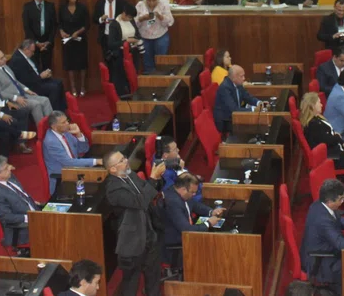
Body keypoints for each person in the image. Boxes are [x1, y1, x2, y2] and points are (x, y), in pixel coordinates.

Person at [103, 148, 166, 296]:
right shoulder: (113, 189)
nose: (126, 161)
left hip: (149, 234)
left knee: (153, 277)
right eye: (122, 161)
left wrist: (156, 179)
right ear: (112, 169)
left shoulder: (129, 175)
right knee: (131, 283)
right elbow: (140, 202)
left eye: (124, 158)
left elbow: (147, 191)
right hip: (132, 242)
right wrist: (152, 179)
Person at [301, 179, 344, 290]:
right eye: (340, 199)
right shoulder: (322, 219)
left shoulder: (319, 205)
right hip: (321, 262)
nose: (343, 201)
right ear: (329, 201)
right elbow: (340, 244)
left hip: (326, 248)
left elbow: (338, 220)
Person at [160, 173, 222, 270]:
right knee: (214, 244)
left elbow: (195, 205)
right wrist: (208, 223)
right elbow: (187, 230)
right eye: (193, 192)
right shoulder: (173, 202)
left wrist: (211, 211)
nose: (194, 195)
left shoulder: (180, 192)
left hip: (184, 232)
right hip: (176, 242)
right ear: (183, 189)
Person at [0, 155, 39, 252]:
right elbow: (6, 217)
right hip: (22, 229)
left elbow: (22, 195)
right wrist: (32, 217)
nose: (10, 168)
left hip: (36, 213)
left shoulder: (9, 178)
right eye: (6, 168)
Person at [0, 51, 54, 126]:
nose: (5, 59)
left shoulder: (5, 66)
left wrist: (26, 89)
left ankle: (53, 126)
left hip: (22, 94)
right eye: (1, 58)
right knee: (36, 104)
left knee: (45, 100)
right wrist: (15, 98)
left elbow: (15, 81)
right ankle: (42, 130)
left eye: (4, 56)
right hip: (13, 101)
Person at [43, 111, 98, 193]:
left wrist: (79, 134)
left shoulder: (65, 133)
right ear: (54, 127)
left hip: (75, 169)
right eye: (63, 122)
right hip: (63, 178)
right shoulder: (51, 141)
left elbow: (84, 149)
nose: (68, 123)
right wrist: (96, 161)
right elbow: (68, 163)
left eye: (67, 120)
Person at [300, 91, 344, 170]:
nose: (321, 105)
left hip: (335, 150)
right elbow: (327, 141)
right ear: (312, 106)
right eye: (319, 103)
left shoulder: (317, 119)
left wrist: (343, 143)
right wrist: (337, 136)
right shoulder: (313, 125)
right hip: (331, 157)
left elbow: (329, 136)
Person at [8, 38, 67, 111]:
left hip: (37, 80)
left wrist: (45, 75)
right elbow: (25, 80)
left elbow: (36, 70)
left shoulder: (27, 55)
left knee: (59, 82)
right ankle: (54, 113)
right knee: (54, 87)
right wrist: (41, 77)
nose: (33, 54)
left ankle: (62, 111)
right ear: (26, 49)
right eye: (32, 51)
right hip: (31, 87)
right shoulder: (17, 60)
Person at [135, 0, 174, 73]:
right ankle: (150, 79)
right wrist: (142, 18)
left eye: (154, 0)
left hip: (161, 36)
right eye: (149, 0)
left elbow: (170, 22)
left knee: (161, 60)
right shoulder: (140, 5)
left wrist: (160, 17)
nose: (151, 3)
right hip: (145, 37)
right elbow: (134, 23)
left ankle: (162, 78)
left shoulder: (163, 5)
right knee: (147, 61)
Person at [59, 0, 90, 95]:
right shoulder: (62, 8)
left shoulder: (82, 8)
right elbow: (59, 24)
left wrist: (78, 32)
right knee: (70, 63)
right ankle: (73, 88)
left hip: (80, 38)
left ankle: (82, 87)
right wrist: (62, 32)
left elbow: (87, 24)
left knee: (82, 63)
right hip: (68, 40)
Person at [213, 65, 260, 133]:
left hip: (235, 116)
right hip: (226, 121)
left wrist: (259, 103)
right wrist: (254, 109)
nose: (244, 78)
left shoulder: (238, 84)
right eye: (241, 76)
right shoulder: (224, 88)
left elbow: (247, 97)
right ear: (234, 77)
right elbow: (234, 110)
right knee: (253, 125)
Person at [21, 0, 58, 71]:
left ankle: (48, 84)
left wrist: (49, 41)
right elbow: (27, 26)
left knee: (47, 67)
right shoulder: (27, 7)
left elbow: (54, 25)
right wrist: (36, 42)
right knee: (34, 67)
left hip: (47, 42)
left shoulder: (50, 6)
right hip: (33, 43)